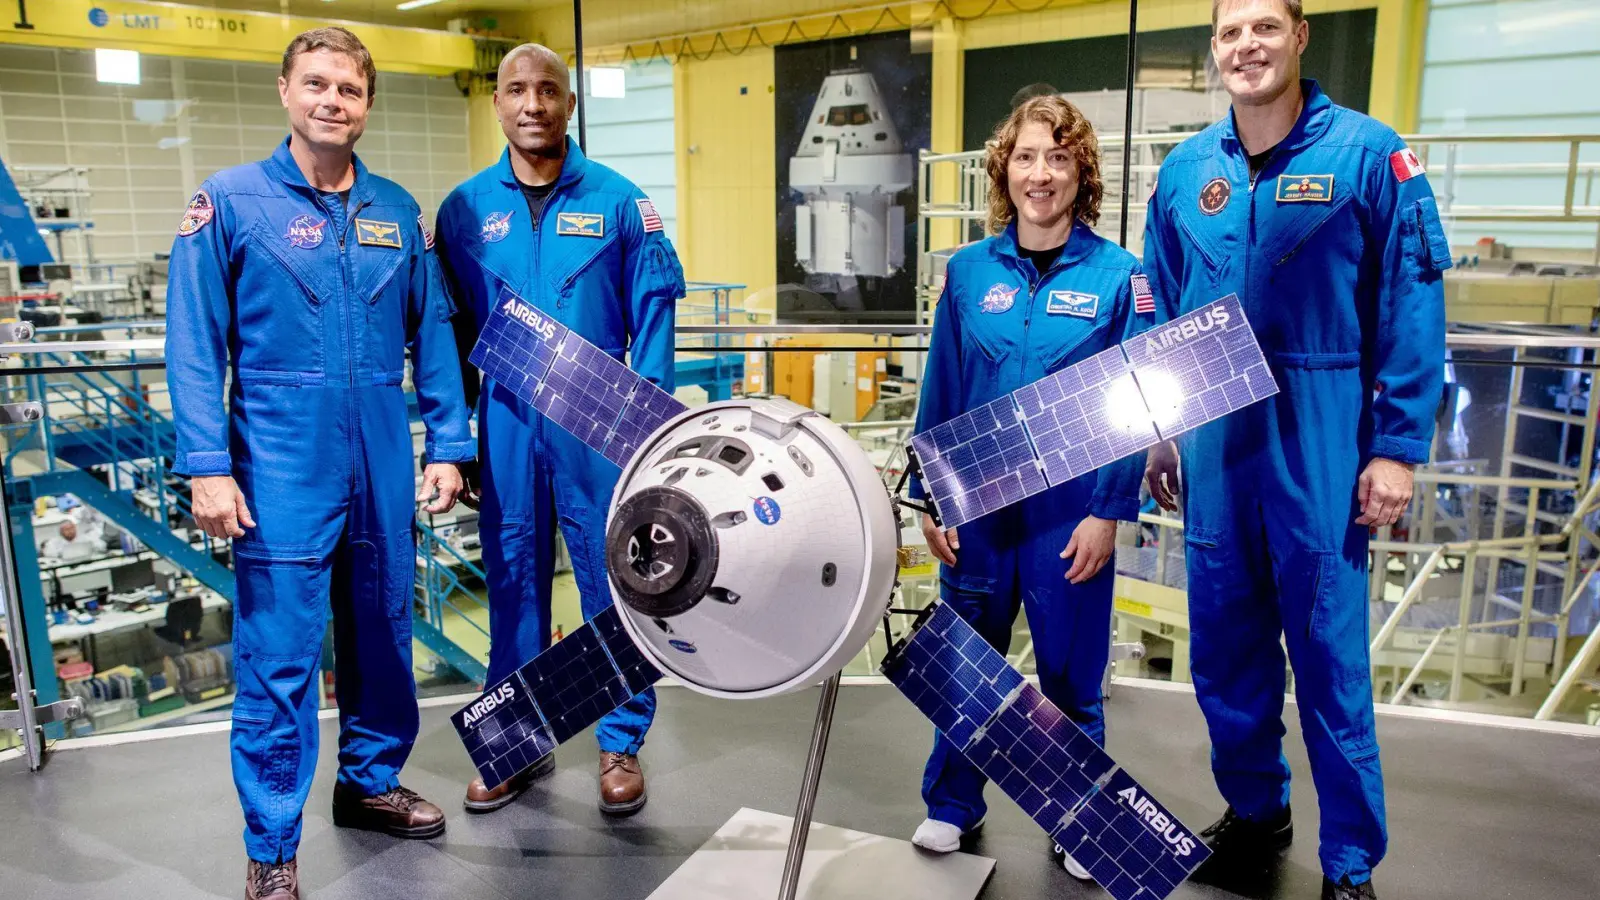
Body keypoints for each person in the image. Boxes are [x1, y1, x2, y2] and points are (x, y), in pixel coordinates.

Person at [1139, 3, 1449, 899]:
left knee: (1329, 661)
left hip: (1320, 431)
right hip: (1215, 443)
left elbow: (1412, 301)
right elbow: (1160, 301)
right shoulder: (1184, 171)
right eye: (1232, 33)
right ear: (1215, 48)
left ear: (1300, 36)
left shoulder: (1367, 154)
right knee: (1225, 653)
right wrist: (1163, 430)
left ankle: (1348, 861)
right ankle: (1255, 812)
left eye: (1266, 27)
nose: (1248, 47)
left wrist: (1395, 448)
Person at [164, 27, 473, 900]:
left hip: (379, 457)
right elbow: (193, 344)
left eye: (350, 88)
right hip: (277, 465)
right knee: (282, 658)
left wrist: (450, 443)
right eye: (317, 84)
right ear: (285, 91)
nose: (332, 100)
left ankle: (369, 784)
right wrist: (206, 466)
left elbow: (434, 338)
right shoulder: (228, 205)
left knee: (383, 636)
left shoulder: (397, 214)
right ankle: (272, 847)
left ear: (368, 104)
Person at [435, 44, 685, 817]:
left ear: (569, 104)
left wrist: (646, 430)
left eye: (548, 90)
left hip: (598, 423)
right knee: (512, 585)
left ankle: (619, 742)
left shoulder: (620, 203)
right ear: (499, 103)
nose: (533, 103)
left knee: (617, 582)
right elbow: (445, 330)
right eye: (517, 90)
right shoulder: (465, 210)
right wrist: (458, 438)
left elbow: (655, 317)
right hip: (506, 419)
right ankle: (513, 742)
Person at [908, 95, 1148, 879]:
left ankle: (1079, 818)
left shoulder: (1121, 279)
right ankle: (951, 804)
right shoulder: (968, 272)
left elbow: (1134, 408)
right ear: (1002, 171)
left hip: (1067, 514)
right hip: (977, 509)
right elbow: (941, 391)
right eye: (1025, 158)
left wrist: (1110, 513)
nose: (1040, 174)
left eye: (1057, 157)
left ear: (1083, 171)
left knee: (1070, 676)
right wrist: (930, 496)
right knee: (966, 666)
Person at [41, 520, 105, 562]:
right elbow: (47, 552)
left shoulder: (84, 538)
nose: (70, 531)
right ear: (61, 532)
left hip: (85, 563)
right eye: (67, 529)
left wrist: (93, 547)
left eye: (72, 528)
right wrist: (60, 554)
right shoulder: (54, 542)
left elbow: (102, 545)